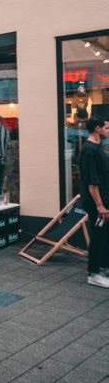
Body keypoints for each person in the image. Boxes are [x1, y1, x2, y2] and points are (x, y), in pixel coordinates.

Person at [79, 116, 109, 289]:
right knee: (97, 236)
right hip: (96, 203)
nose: (108, 131)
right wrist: (100, 206)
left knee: (105, 235)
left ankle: (103, 267)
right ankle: (94, 273)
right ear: (98, 129)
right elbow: (92, 183)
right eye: (107, 128)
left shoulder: (98, 147)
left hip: (104, 200)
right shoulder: (89, 150)